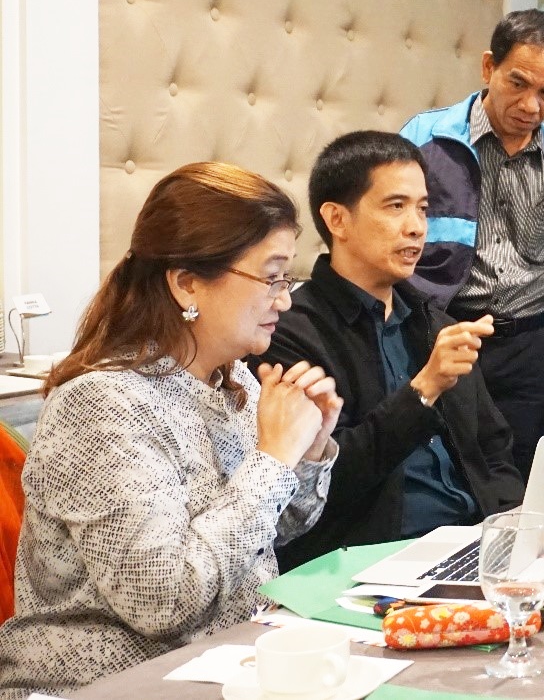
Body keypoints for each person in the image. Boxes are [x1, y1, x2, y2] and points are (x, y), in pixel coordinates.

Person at [0, 164, 339, 698]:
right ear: (186, 283)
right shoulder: (104, 404)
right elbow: (162, 601)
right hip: (105, 683)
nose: (285, 300)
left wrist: (307, 452)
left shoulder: (235, 385)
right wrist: (272, 462)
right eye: (271, 277)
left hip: (222, 664)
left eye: (287, 279)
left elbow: (265, 536)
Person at [255, 132, 524, 571]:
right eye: (395, 206)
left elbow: (492, 450)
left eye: (423, 208)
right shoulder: (290, 334)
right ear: (337, 220)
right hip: (368, 562)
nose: (417, 227)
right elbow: (322, 488)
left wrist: (518, 530)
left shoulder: (434, 322)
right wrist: (423, 390)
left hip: (472, 545)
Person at [400, 8, 544, 479]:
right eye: (519, 84)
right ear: (489, 67)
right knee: (447, 483)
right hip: (445, 337)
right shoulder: (426, 141)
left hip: (533, 345)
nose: (532, 106)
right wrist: (416, 332)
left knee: (528, 491)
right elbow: (386, 241)